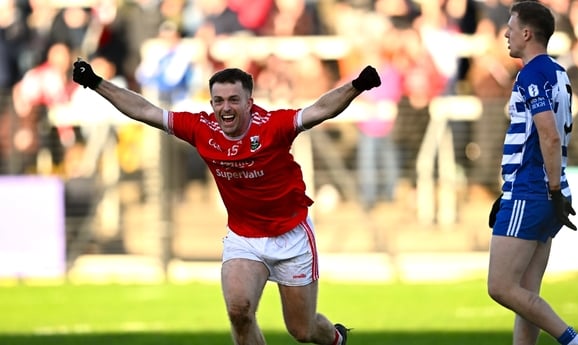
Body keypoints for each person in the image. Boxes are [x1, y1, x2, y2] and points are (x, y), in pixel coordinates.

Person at [72, 56, 381, 345]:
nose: (226, 108)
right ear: (211, 103)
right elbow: (145, 110)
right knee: (239, 311)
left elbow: (319, 109)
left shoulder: (273, 126)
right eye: (218, 101)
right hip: (244, 237)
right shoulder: (201, 129)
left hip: (291, 236)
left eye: (234, 100)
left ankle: (336, 339)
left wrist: (356, 86)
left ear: (250, 102)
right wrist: (97, 83)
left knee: (302, 330)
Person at [487, 2, 578, 345]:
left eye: (510, 26)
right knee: (526, 295)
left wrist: (550, 190)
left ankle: (574, 341)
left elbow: (548, 134)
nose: (505, 33)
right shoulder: (559, 73)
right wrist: (555, 191)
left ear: (526, 33)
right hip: (545, 190)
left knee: (501, 287)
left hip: (533, 190)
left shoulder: (532, 74)